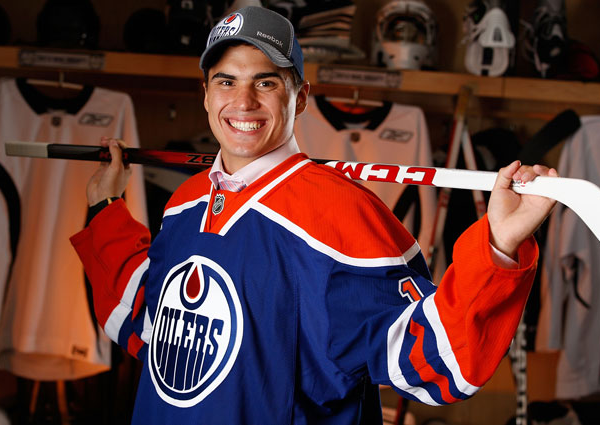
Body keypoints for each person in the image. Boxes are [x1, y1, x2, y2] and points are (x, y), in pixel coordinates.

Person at [70, 6, 558, 424]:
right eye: (227, 81)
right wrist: (106, 209)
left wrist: (498, 245)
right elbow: (149, 324)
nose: (243, 102)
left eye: (266, 82)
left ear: (300, 97)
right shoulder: (186, 203)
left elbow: (431, 360)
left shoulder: (343, 213)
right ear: (205, 94)